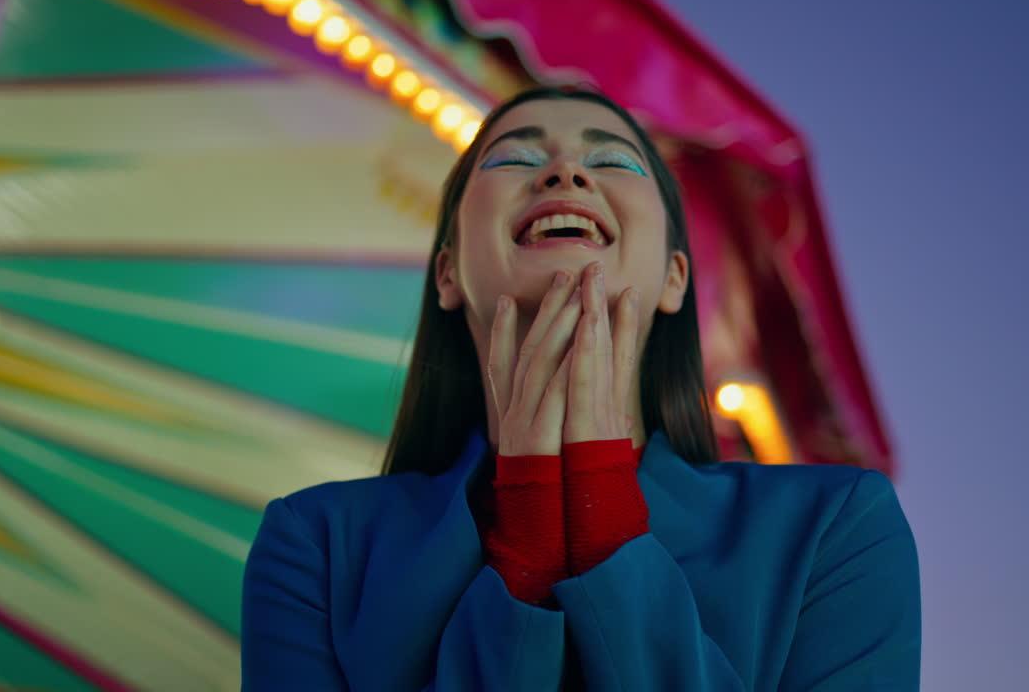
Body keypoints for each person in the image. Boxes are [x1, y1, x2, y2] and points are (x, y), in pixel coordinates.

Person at [241, 87, 921, 690]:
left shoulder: (835, 528)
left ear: (674, 278)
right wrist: (526, 545)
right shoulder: (317, 548)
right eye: (515, 157)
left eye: (613, 161)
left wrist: (604, 523)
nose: (564, 172)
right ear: (447, 273)